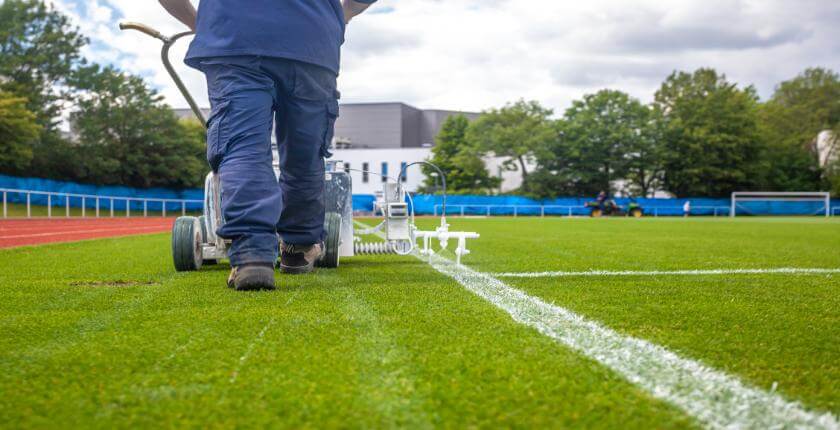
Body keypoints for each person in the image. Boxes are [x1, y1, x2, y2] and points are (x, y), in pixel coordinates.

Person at [159, 0, 377, 290]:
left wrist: (200, 23)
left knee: (242, 147)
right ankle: (298, 248)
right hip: (312, 40)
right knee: (304, 154)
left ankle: (252, 255)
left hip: (233, 37)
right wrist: (342, 15)